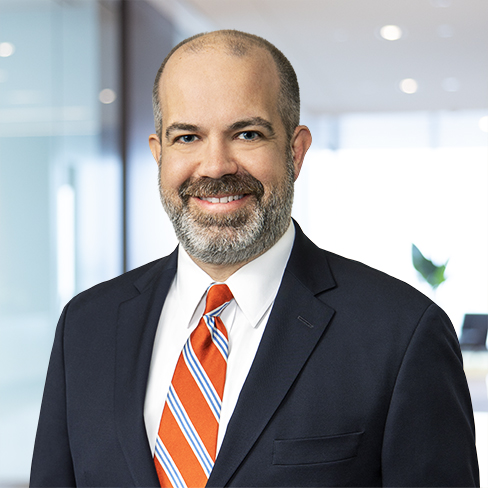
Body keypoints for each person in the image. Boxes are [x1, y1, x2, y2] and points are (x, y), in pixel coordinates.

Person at [30, 30, 479, 487]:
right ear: (158, 154)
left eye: (247, 133)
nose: (216, 165)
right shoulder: (86, 327)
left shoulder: (401, 334)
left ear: (296, 152)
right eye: (187, 137)